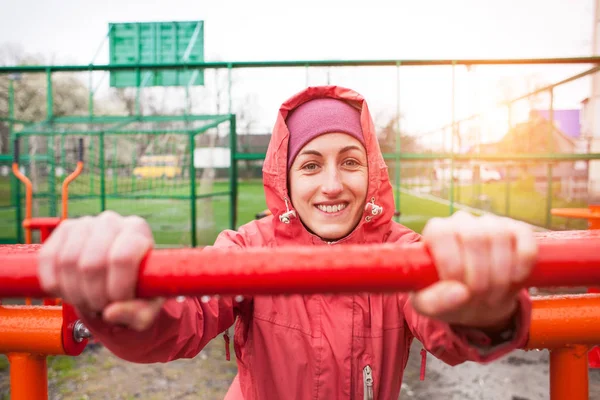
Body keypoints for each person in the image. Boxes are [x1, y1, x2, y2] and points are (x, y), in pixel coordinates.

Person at [38, 85, 536, 400]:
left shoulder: (404, 254)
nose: (333, 185)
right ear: (286, 179)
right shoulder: (246, 250)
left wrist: (481, 309)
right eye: (312, 165)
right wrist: (126, 301)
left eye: (351, 161)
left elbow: (448, 328)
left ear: (373, 171)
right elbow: (183, 318)